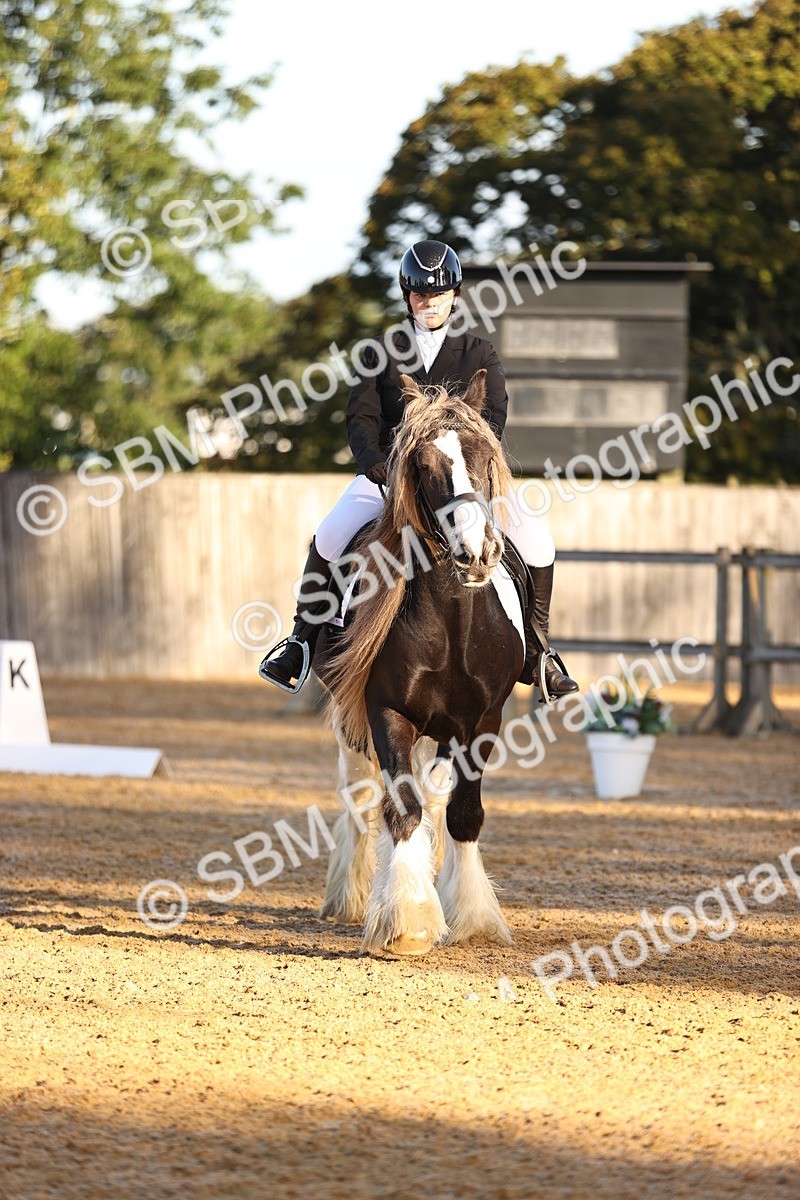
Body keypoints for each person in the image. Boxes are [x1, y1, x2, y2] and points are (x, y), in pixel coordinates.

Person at [260, 239, 578, 698]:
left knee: (539, 544)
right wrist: (376, 465)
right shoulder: (379, 351)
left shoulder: (479, 353)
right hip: (389, 480)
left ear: (454, 295)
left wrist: (471, 471)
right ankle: (300, 642)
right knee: (331, 535)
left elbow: (493, 420)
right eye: (420, 294)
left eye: (439, 294)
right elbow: (362, 418)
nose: (429, 302)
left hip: (466, 484)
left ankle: (540, 654)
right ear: (407, 295)